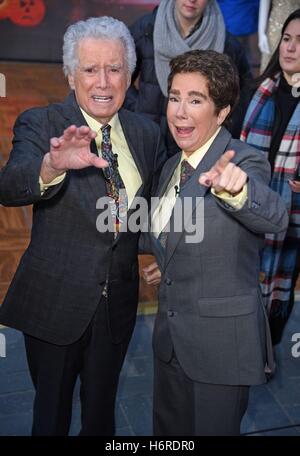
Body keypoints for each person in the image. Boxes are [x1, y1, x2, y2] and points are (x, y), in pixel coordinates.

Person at [0, 16, 165, 436]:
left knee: (100, 416)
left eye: (114, 69)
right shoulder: (42, 123)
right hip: (56, 306)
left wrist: (170, 254)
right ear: (71, 76)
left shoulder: (147, 133)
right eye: (90, 69)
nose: (103, 82)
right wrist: (51, 165)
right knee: (50, 418)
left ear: (130, 76)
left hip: (117, 309)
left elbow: (159, 209)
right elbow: (11, 185)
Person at [142, 49, 288, 436]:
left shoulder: (244, 160)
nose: (180, 112)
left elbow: (274, 216)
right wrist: (169, 258)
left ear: (222, 112)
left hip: (221, 346)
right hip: (170, 342)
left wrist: (237, 192)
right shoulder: (171, 166)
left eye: (196, 100)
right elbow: (178, 231)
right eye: (175, 97)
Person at [241, 9, 300, 345]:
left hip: (293, 220)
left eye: (299, 42)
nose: (289, 48)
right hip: (250, 206)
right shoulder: (260, 91)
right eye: (286, 39)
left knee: (279, 289)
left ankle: (265, 349)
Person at [123, 0, 252, 155]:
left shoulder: (225, 41)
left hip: (198, 148)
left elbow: (243, 92)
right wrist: (137, 108)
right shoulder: (146, 29)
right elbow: (121, 75)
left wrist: (221, 124)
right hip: (148, 140)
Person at [258, 0, 300, 72]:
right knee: (272, 65)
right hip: (275, 28)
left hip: (296, 28)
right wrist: (261, 34)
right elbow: (264, 4)